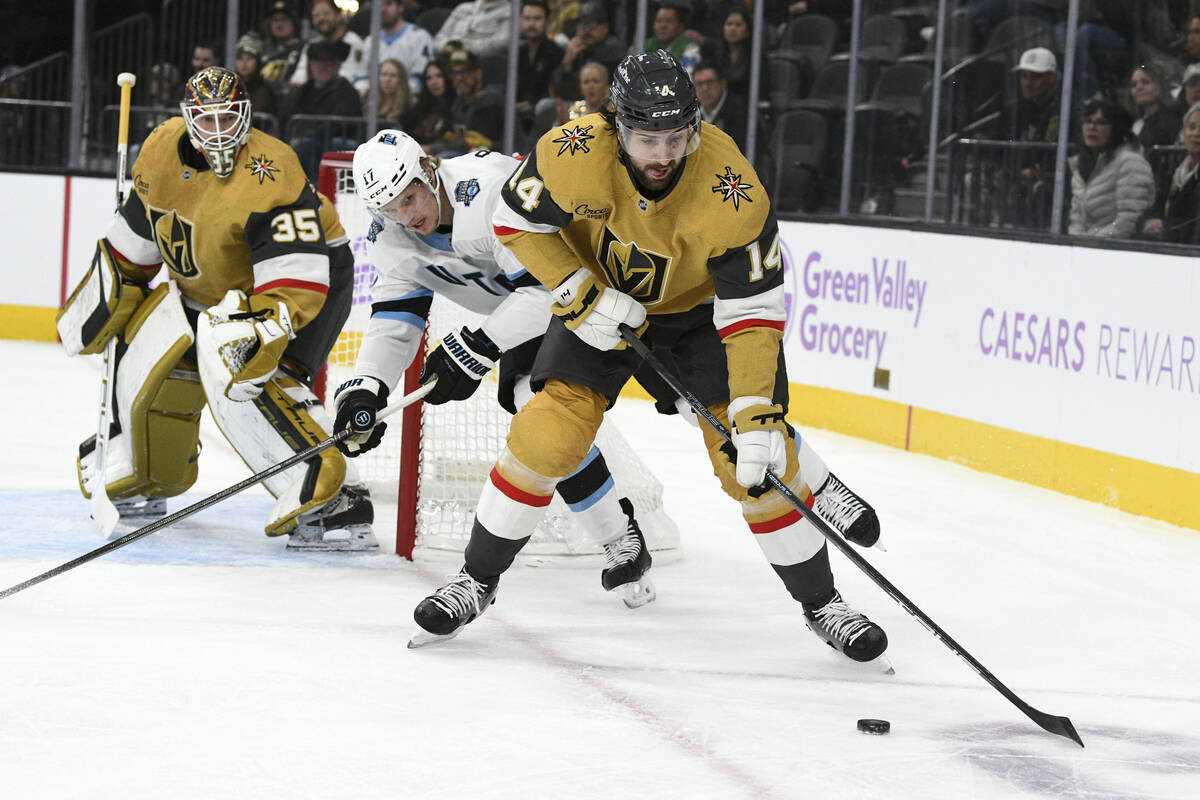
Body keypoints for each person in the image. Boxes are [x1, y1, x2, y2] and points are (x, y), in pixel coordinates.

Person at [409, 51, 887, 664]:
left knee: (751, 462)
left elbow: (754, 315)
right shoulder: (572, 151)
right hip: (598, 301)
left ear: (695, 126)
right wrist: (576, 289)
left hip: (698, 317)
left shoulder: (732, 189)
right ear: (616, 126)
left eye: (676, 138)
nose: (663, 155)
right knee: (546, 433)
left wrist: (755, 410)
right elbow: (513, 221)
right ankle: (476, 581)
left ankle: (824, 604)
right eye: (646, 139)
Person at [335, 129, 658, 609]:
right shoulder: (391, 236)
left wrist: (480, 345)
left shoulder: (485, 191)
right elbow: (394, 321)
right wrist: (366, 387)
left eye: (410, 197)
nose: (408, 216)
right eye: (391, 209)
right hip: (536, 306)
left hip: (593, 286)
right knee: (537, 412)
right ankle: (620, 538)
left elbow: (546, 285)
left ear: (428, 168)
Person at [57, 66, 374, 550]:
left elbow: (296, 276)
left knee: (254, 367)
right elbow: (142, 233)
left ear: (247, 116)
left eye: (230, 118)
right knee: (147, 357)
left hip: (309, 280)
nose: (220, 132)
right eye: (207, 120)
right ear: (187, 120)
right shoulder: (162, 149)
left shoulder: (272, 169)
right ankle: (152, 475)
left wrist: (266, 328)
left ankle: (340, 498)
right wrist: (116, 285)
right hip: (206, 292)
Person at [986, 47, 1062, 229]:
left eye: (1035, 77)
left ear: (1051, 78)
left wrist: (1035, 172)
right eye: (1024, 76)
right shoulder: (1012, 110)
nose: (1028, 83)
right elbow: (995, 147)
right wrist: (998, 169)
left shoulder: (1064, 110)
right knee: (971, 180)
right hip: (1012, 176)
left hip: (1045, 180)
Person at [1068, 100, 1155, 238]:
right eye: (1088, 121)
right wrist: (1077, 241)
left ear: (1116, 128)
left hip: (1115, 250)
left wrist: (1090, 243)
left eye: (1101, 122)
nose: (1091, 127)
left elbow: (1128, 223)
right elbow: (1076, 220)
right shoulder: (1080, 164)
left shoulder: (1130, 163)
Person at [281, 39, 363, 180]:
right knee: (300, 144)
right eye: (318, 62)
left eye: (329, 62)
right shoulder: (302, 91)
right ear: (311, 65)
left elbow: (342, 123)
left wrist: (311, 133)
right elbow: (288, 117)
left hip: (336, 142)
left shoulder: (347, 91)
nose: (323, 67)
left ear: (338, 65)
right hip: (309, 142)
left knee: (313, 144)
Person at [1141, 102, 1200, 243]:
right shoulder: (1173, 170)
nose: (1196, 134)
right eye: (1192, 127)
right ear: (1183, 132)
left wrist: (1165, 228)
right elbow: (1155, 206)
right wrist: (1150, 221)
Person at [553, 1, 625, 102]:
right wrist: (567, 62)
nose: (587, 30)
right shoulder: (573, 49)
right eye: (583, 25)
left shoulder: (614, 49)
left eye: (592, 24)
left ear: (605, 28)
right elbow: (558, 91)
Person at [289, 0, 367, 91]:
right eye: (316, 16)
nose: (321, 18)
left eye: (326, 14)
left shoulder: (353, 42)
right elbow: (300, 76)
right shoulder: (311, 45)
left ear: (338, 16)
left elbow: (350, 74)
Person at [439, 48, 503, 153]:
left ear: (478, 73)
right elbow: (452, 138)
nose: (459, 78)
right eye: (454, 73)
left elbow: (473, 143)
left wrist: (433, 148)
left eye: (464, 72)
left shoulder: (490, 100)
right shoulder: (458, 103)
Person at [367, 0, 434, 95]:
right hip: (377, 102)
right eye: (379, 5)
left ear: (400, 7)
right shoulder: (370, 41)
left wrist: (398, 95)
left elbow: (420, 78)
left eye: (388, 4)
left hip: (409, 101)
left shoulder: (419, 37)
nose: (383, 9)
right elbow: (361, 77)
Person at [700, 6, 756, 104]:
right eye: (729, 24)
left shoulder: (755, 57)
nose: (732, 29)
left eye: (738, 25)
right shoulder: (715, 54)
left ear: (747, 31)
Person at [693, 60, 747, 151]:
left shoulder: (742, 113)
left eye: (710, 82)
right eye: (699, 84)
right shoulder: (690, 113)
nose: (705, 88)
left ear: (723, 83)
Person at [401, 59, 456, 146]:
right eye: (429, 78)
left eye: (439, 76)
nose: (434, 82)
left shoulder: (458, 106)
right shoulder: (420, 107)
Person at [432, 0, 512, 59]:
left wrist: (465, 49)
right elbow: (438, 39)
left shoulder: (509, 12)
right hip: (447, 58)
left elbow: (501, 43)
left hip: (477, 62)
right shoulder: (462, 8)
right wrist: (445, 46)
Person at [1129, 63, 1181, 152]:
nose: (1139, 87)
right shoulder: (1132, 121)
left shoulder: (1171, 121)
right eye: (1134, 85)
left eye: (1145, 82)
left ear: (1160, 86)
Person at [644, 3, 702, 75]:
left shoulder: (691, 49)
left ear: (681, 26)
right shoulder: (645, 45)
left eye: (669, 21)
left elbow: (688, 79)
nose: (662, 26)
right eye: (659, 21)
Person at [259, 0, 304, 85]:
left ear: (294, 24)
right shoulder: (262, 49)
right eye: (275, 20)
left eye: (284, 19)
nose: (279, 24)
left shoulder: (304, 49)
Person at [234, 35, 277, 117]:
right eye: (240, 58)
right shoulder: (229, 86)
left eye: (249, 58)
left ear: (257, 62)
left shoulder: (265, 89)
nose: (244, 63)